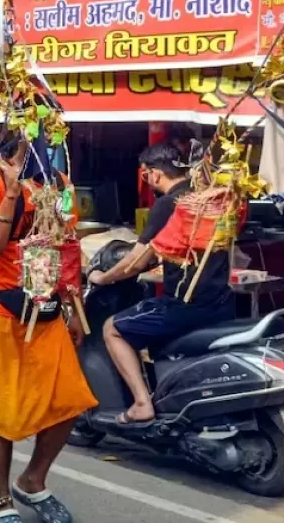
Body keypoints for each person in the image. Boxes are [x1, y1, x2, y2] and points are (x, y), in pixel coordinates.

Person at [0, 138, 96, 523]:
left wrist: (75, 307)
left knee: (70, 401)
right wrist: (11, 192)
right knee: (4, 412)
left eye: (51, 131)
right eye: (36, 129)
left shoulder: (60, 184)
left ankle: (33, 480)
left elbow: (68, 246)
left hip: (46, 312)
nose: (46, 139)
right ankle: (0, 501)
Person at [88, 142, 236, 424]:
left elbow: (137, 260)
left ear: (154, 174)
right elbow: (173, 249)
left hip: (186, 304)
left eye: (146, 174)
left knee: (112, 329)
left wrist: (102, 277)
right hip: (220, 301)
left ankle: (142, 403)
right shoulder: (204, 199)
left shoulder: (171, 204)